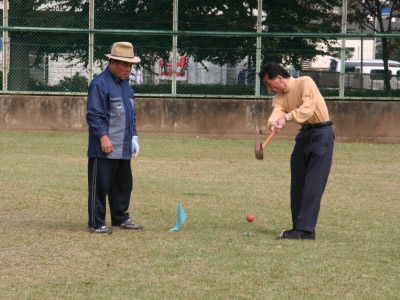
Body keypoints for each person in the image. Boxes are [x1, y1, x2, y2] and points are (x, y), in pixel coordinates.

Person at [259, 62, 334, 240]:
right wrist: (275, 123)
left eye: (268, 83)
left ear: (279, 78)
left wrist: (287, 117)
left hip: (322, 134)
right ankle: (298, 228)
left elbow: (307, 109)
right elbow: (276, 113)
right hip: (303, 136)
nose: (269, 88)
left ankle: (306, 230)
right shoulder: (279, 98)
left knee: (313, 183)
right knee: (298, 183)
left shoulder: (305, 82)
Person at [86, 41, 143, 234]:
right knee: (100, 186)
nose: (129, 69)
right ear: (112, 63)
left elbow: (131, 116)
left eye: (131, 65)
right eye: (125, 64)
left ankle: (120, 218)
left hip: (123, 147)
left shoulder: (127, 88)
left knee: (123, 185)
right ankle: (96, 222)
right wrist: (103, 137)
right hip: (103, 149)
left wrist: (134, 137)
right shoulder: (99, 84)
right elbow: (94, 115)